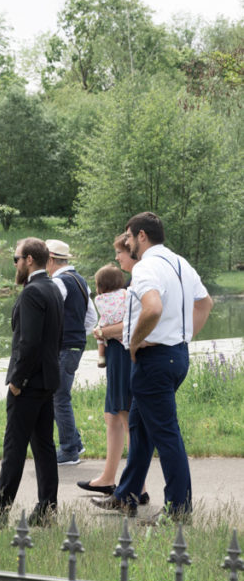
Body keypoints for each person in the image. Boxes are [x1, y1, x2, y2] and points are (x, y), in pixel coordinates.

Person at [92, 212, 213, 521]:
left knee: (166, 434)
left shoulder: (146, 267)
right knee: (139, 426)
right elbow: (205, 303)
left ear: (142, 236)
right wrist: (183, 338)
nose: (128, 242)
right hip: (176, 356)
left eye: (129, 237)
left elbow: (153, 307)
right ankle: (126, 496)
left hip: (154, 361)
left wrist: (133, 342)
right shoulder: (180, 262)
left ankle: (178, 509)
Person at [0, 238, 63, 528]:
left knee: (14, 447)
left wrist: (18, 379)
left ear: (29, 259)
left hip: (28, 385)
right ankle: (47, 508)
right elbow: (56, 339)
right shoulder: (53, 288)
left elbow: (29, 343)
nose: (14, 264)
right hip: (47, 381)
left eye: (15, 259)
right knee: (44, 448)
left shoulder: (32, 293)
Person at [76, 241, 148, 504]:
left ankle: (136, 487)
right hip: (118, 357)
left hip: (121, 356)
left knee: (125, 414)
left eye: (119, 252)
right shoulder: (128, 289)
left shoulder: (130, 290)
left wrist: (102, 332)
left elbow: (127, 325)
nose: (117, 257)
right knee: (112, 415)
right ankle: (108, 477)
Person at [45, 239, 97, 466]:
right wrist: (76, 333)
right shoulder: (81, 281)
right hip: (76, 345)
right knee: (61, 396)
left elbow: (49, 316)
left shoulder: (57, 283)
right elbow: (92, 318)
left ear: (50, 260)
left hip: (64, 346)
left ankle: (68, 451)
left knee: (59, 398)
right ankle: (75, 442)